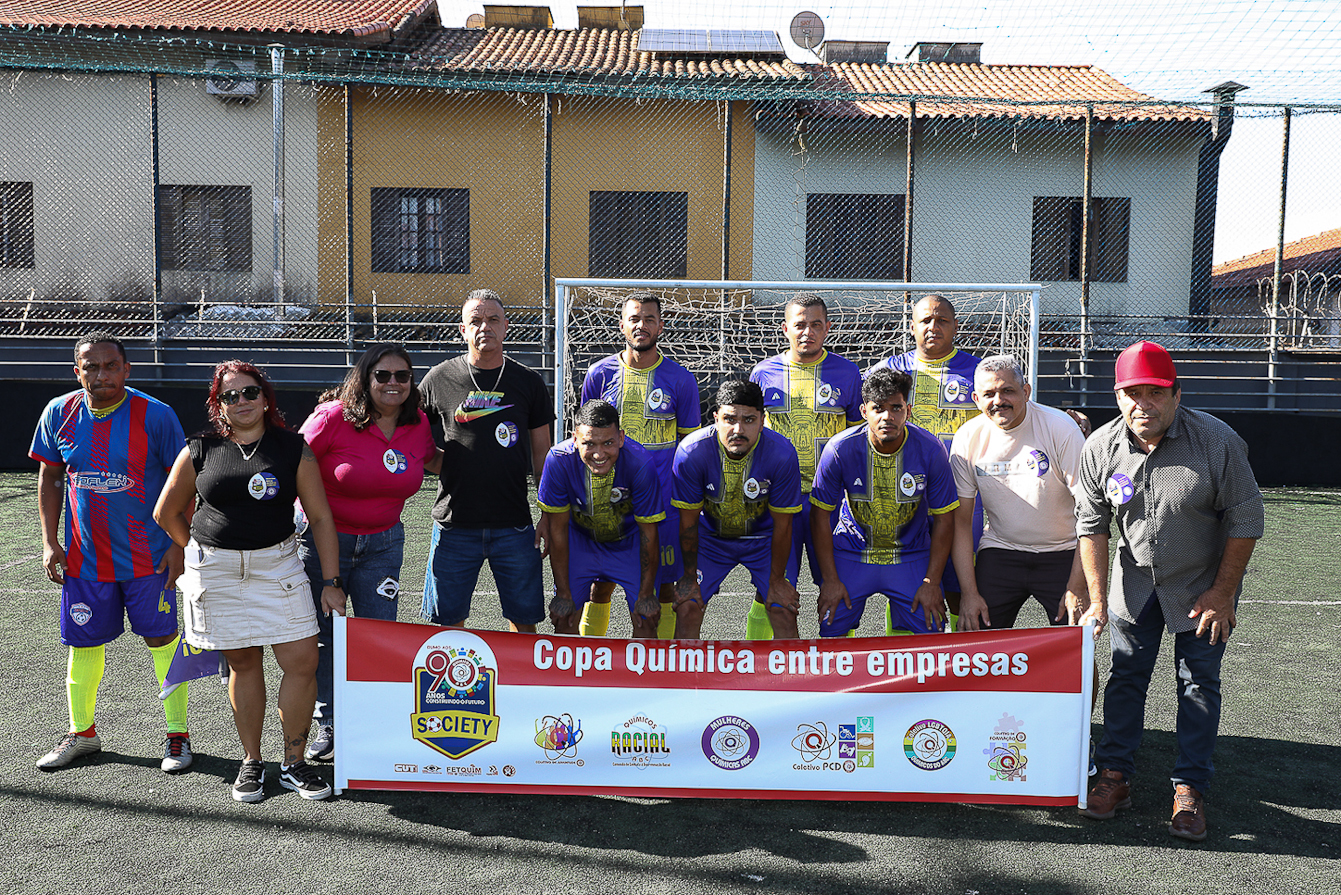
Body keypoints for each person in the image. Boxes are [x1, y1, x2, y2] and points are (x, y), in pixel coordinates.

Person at [1074, 341, 1264, 842]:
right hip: (1134, 583)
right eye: (1131, 393)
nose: (1143, 404)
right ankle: (1115, 776)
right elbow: (1091, 525)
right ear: (1117, 397)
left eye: (1154, 393)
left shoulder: (1217, 442)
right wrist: (1097, 597)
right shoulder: (1100, 447)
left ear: (1176, 395)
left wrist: (1223, 594)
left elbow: (1246, 520)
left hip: (1202, 586)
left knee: (1199, 685)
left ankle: (1189, 789)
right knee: (1125, 678)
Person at [154, 361, 347, 802]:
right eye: (230, 395)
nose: (241, 401)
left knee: (301, 660)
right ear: (217, 404)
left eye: (250, 392)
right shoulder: (199, 448)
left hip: (277, 566)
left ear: (265, 397)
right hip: (217, 572)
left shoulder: (292, 447)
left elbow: (319, 517)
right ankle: (252, 761)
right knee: (244, 664)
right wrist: (197, 553)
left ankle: (294, 763)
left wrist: (331, 579)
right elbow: (166, 512)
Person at [30, 332, 195, 773]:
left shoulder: (156, 415)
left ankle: (177, 736)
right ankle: (82, 734)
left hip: (150, 557)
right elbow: (48, 478)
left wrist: (181, 545)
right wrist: (50, 541)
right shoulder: (58, 413)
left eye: (109, 366)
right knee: (81, 643)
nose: (100, 375)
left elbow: (185, 481)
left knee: (161, 639)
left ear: (126, 369)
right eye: (91, 366)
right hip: (86, 561)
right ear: (77, 371)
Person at [296, 345, 442, 762]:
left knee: (378, 635)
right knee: (325, 637)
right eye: (383, 375)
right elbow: (293, 463)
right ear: (365, 378)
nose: (393, 383)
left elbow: (432, 461)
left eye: (402, 376)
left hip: (385, 542)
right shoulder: (332, 418)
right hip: (323, 544)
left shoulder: (418, 425)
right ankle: (330, 724)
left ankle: (375, 723)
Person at [419, 289, 553, 633]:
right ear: (462, 330)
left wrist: (548, 514)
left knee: (524, 622)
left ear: (506, 326)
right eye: (475, 320)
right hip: (453, 524)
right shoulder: (438, 379)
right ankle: (451, 687)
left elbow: (542, 454)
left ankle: (520, 687)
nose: (485, 327)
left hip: (514, 525)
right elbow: (410, 437)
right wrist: (442, 463)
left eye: (493, 319)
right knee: (447, 624)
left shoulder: (528, 382)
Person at [580, 292, 699, 638]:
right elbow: (587, 441)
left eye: (649, 319)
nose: (641, 325)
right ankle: (590, 660)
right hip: (607, 503)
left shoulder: (681, 380)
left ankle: (658, 668)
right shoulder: (598, 374)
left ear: (660, 325)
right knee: (599, 586)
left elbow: (688, 451)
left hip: (662, 504)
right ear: (622, 325)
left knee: (662, 585)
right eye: (634, 318)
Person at [748, 293, 863, 639]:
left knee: (837, 582)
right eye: (800, 324)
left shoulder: (847, 372)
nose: (807, 332)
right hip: (777, 501)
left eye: (815, 325)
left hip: (830, 502)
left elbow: (859, 437)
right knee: (770, 584)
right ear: (785, 328)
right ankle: (760, 669)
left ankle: (840, 668)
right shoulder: (763, 372)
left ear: (827, 328)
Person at [810, 368, 958, 637]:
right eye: (878, 408)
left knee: (932, 629)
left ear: (908, 410)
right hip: (854, 552)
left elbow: (945, 519)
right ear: (864, 411)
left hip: (910, 555)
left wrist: (931, 581)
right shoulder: (839, 448)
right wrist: (830, 580)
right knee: (830, 626)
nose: (887, 416)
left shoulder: (931, 449)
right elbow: (820, 516)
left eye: (895, 408)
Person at [949, 354, 1088, 630]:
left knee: (1077, 649)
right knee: (976, 643)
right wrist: (969, 593)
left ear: (1026, 392)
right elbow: (961, 523)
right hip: (1002, 549)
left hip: (1063, 551)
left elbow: (1090, 514)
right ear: (976, 399)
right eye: (988, 394)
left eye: (1007, 391)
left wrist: (1078, 585)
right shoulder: (967, 438)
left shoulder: (1061, 429)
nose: (998, 400)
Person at [868, 295, 982, 631]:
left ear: (956, 326)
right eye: (925, 321)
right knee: (906, 584)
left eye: (942, 320)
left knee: (960, 581)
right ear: (913, 326)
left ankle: (963, 663)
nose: (933, 327)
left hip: (962, 496)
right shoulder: (887, 370)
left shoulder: (977, 372)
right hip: (903, 496)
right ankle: (900, 663)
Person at [671, 379, 802, 639]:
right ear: (715, 418)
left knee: (783, 608)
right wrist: (688, 576)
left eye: (749, 420)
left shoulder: (782, 454)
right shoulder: (691, 452)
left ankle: (785, 678)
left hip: (763, 539)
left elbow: (783, 526)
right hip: (711, 539)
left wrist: (776, 582)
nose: (738, 429)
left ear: (763, 420)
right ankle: (686, 680)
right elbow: (687, 523)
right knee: (687, 606)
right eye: (730, 419)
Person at [538, 400, 664, 638]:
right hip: (580, 542)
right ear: (574, 438)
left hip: (628, 543)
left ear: (621, 438)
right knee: (564, 617)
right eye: (589, 443)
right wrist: (563, 593)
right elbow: (558, 531)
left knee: (645, 618)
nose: (599, 454)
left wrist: (647, 594)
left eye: (608, 443)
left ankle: (640, 675)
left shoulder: (641, 464)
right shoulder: (557, 460)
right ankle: (576, 675)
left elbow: (649, 533)